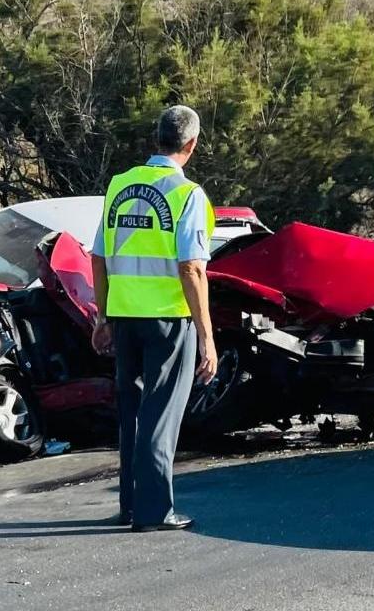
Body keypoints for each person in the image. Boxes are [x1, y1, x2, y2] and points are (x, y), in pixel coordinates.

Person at [90, 105, 217, 533]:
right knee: (161, 415)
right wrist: (207, 337)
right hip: (168, 319)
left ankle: (130, 504)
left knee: (132, 414)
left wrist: (101, 317)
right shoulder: (187, 194)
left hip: (125, 317)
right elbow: (192, 268)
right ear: (192, 145)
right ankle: (154, 510)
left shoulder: (120, 186)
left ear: (155, 139)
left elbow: (99, 255)